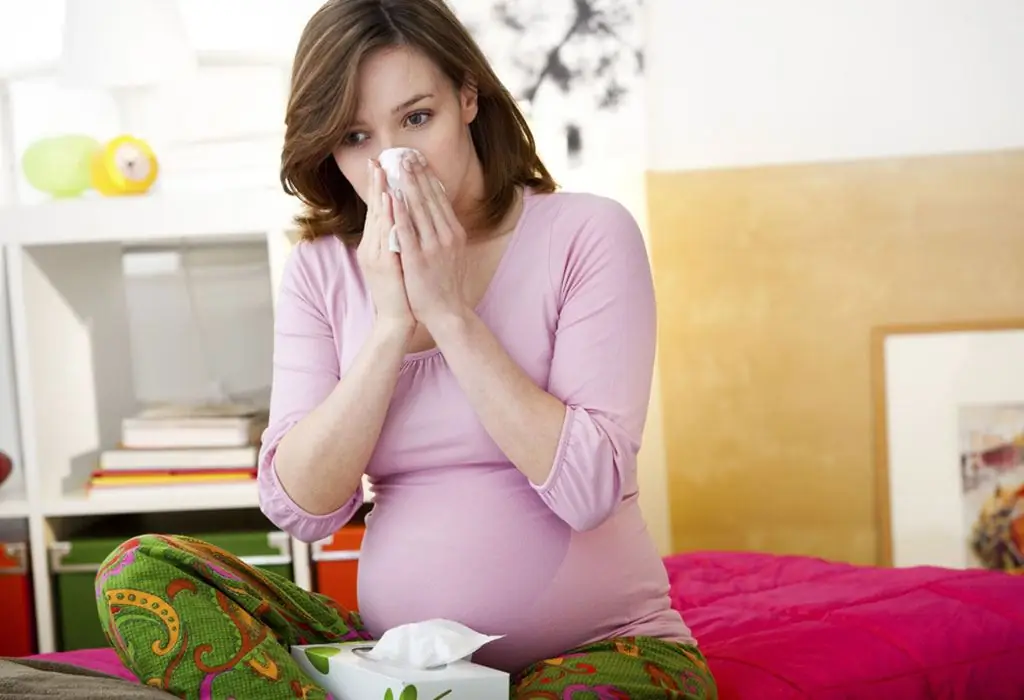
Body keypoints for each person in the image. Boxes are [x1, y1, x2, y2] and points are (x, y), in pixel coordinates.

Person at [95, 1, 718, 698]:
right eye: (356, 136)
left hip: (602, 648)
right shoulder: (323, 268)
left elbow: (589, 491)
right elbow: (301, 506)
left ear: (468, 97)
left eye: (418, 118)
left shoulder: (588, 234)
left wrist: (450, 314)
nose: (392, 162)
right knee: (140, 571)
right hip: (398, 663)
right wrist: (390, 325)